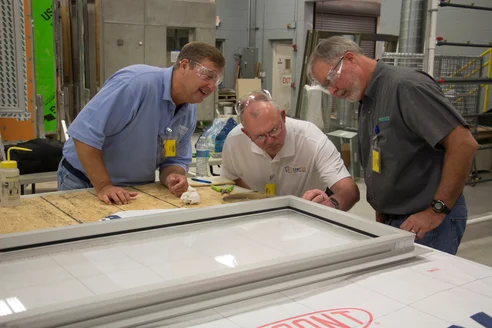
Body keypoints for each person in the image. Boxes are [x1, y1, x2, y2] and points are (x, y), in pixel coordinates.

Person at [307, 36, 479, 254]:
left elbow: (463, 144)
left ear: (350, 59)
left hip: (425, 222)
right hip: (394, 219)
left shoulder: (405, 87)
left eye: (331, 80)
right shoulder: (367, 98)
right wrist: (383, 207)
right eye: (325, 87)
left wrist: (437, 210)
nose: (332, 91)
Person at [58, 42, 225, 205]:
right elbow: (84, 135)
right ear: (184, 65)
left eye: (216, 80)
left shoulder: (188, 110)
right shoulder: (135, 83)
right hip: (86, 182)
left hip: (133, 190)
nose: (211, 87)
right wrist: (103, 186)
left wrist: (173, 177)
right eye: (207, 76)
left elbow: (174, 159)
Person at [220, 90, 360, 211]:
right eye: (260, 136)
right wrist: (255, 198)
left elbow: (349, 190)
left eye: (274, 130)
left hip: (306, 217)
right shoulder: (235, 141)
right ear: (246, 133)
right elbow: (230, 180)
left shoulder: (311, 138)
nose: (270, 140)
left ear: (283, 116)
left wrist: (330, 204)